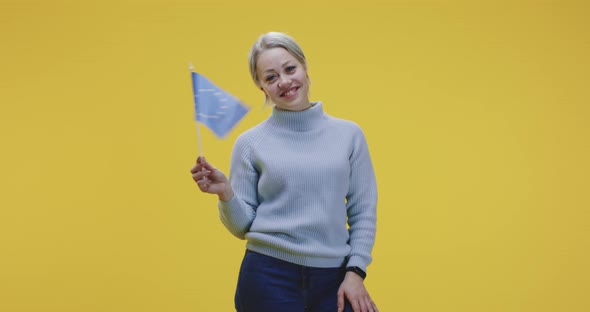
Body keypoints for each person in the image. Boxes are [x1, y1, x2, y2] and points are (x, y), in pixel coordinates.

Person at [191, 31, 379, 312]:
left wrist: (355, 272)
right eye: (271, 77)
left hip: (333, 277)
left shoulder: (349, 135)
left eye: (290, 69)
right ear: (261, 87)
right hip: (267, 277)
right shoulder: (250, 143)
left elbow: (363, 211)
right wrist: (226, 194)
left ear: (304, 67)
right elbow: (242, 227)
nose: (284, 82)